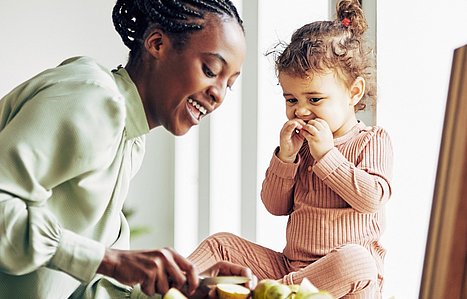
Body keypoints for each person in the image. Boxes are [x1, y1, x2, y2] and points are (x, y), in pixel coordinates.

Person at [0, 0, 251, 298]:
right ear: (157, 43)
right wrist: (110, 260)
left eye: (229, 84)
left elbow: (87, 287)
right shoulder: (93, 98)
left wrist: (186, 290)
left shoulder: (129, 143)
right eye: (211, 70)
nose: (218, 94)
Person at [187, 0, 393, 298]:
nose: (302, 111)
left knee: (358, 261)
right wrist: (285, 157)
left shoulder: (372, 140)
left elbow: (372, 198)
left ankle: (268, 293)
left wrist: (327, 156)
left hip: (343, 280)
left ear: (354, 92)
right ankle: (171, 286)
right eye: (292, 100)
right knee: (220, 244)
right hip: (291, 268)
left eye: (315, 100)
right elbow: (274, 205)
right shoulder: (301, 146)